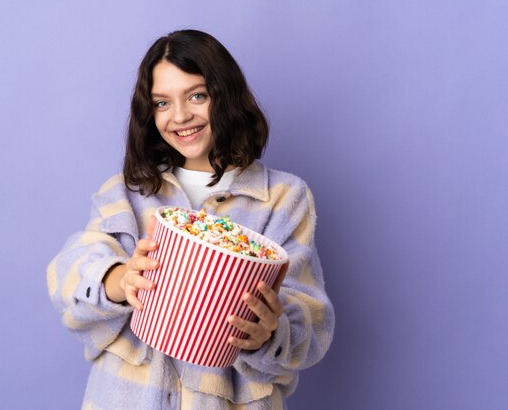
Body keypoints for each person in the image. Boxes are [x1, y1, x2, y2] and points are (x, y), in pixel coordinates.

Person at [46, 29, 334, 410]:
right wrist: (118, 279)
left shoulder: (283, 198)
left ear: (225, 96)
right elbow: (68, 273)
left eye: (197, 95)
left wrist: (273, 331)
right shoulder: (127, 191)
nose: (180, 116)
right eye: (162, 103)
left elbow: (312, 324)